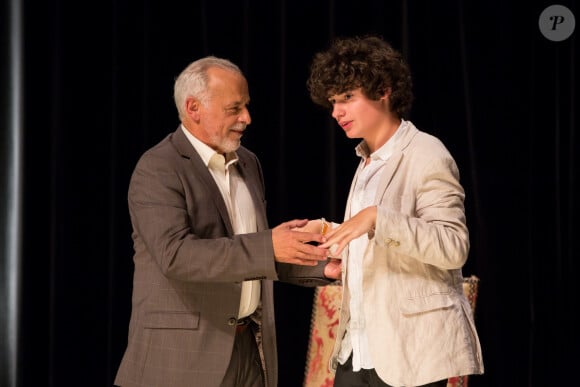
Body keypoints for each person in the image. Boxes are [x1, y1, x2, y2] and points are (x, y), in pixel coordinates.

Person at [114, 56, 341, 387]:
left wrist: (322, 266)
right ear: (194, 109)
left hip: (250, 349)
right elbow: (176, 255)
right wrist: (269, 244)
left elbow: (254, 258)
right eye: (234, 108)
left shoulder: (248, 163)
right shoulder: (159, 168)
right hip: (181, 359)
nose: (247, 118)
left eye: (246, 106)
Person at [302, 35, 484, 386]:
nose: (337, 112)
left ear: (383, 89)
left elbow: (453, 245)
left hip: (407, 352)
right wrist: (328, 231)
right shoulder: (366, 161)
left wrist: (374, 218)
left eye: (347, 99)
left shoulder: (427, 153)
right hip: (357, 348)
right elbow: (381, 241)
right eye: (333, 103)